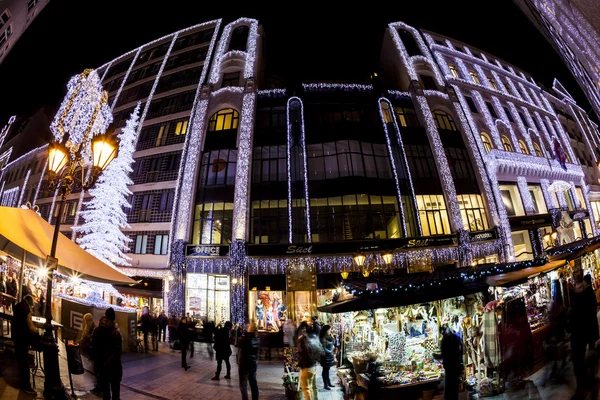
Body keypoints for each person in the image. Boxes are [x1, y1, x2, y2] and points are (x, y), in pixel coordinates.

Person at [569, 271, 599, 399]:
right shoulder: (587, 294)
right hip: (585, 334)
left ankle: (584, 386)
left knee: (580, 362)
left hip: (580, 336)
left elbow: (578, 317)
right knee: (584, 359)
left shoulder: (581, 298)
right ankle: (588, 382)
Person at [92, 308, 122, 400]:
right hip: (115, 367)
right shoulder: (116, 333)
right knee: (116, 393)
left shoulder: (97, 331)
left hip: (103, 367)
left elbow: (94, 349)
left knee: (106, 393)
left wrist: (97, 365)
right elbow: (118, 351)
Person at [12, 294, 39, 395]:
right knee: (24, 362)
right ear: (30, 302)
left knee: (20, 361)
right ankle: (26, 386)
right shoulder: (27, 310)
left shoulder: (18, 306)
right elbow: (31, 328)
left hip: (16, 336)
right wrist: (37, 332)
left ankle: (23, 383)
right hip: (23, 338)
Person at [297, 321, 323, 400]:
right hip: (314, 366)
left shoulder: (303, 340)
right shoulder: (315, 337)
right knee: (313, 387)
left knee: (306, 388)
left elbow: (301, 352)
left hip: (307, 367)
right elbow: (320, 351)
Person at [77, 313, 100, 392]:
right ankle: (97, 384)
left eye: (87, 320)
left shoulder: (94, 328)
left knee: (95, 368)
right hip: (88, 349)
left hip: (92, 349)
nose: (86, 322)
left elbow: (92, 337)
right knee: (93, 367)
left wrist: (87, 337)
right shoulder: (88, 326)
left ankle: (98, 385)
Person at [440, 326, 463, 400]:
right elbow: (460, 353)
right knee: (454, 389)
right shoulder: (455, 339)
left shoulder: (445, 341)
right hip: (455, 366)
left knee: (448, 389)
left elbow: (443, 355)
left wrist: (436, 356)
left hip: (449, 367)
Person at [237, 322, 259, 400]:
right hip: (253, 363)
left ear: (250, 329)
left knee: (243, 384)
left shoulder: (245, 339)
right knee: (253, 383)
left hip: (244, 363)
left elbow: (237, 343)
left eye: (249, 326)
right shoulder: (257, 339)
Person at [320, 324, 336, 390]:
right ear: (326, 330)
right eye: (329, 330)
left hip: (329, 356)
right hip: (325, 357)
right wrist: (331, 350)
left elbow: (333, 342)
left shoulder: (328, 336)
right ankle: (325, 384)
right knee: (325, 370)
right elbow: (324, 349)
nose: (330, 330)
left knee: (327, 370)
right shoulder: (323, 338)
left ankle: (328, 382)